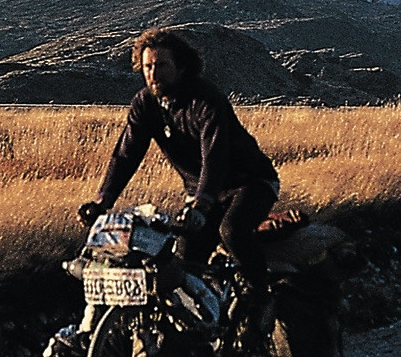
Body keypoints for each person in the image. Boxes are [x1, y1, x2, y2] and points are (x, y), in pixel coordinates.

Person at [79, 27, 281, 301]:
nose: (153, 73)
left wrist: (201, 203)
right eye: (148, 66)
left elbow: (215, 155)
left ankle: (261, 297)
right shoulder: (145, 104)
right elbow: (126, 155)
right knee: (185, 262)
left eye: (162, 65)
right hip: (201, 192)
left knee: (232, 230)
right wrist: (103, 201)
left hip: (250, 181)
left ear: (182, 67)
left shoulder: (205, 99)